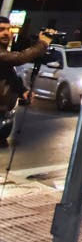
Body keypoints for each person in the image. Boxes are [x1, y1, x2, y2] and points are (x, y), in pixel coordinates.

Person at [0, 17, 56, 147]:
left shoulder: (4, 51)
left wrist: (22, 91)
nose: (6, 33)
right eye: (1, 29)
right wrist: (42, 44)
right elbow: (19, 58)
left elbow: (9, 74)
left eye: (8, 29)